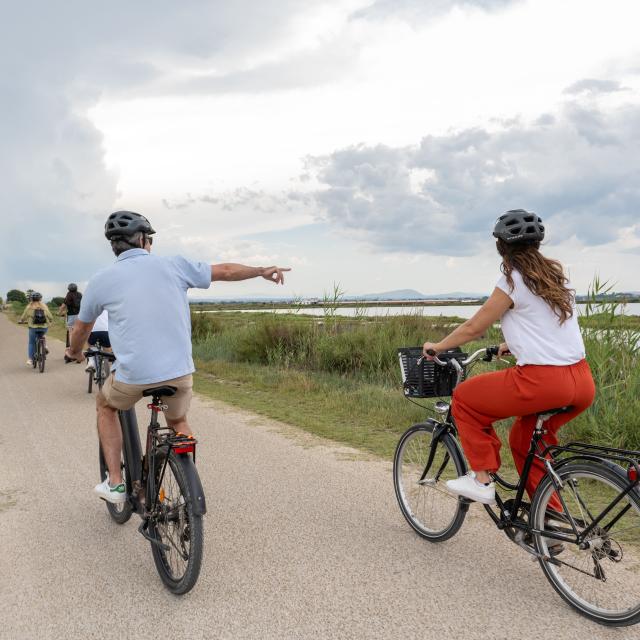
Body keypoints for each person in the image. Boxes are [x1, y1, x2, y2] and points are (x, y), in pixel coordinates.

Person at [65, 210, 290, 503]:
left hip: (133, 376)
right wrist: (260, 269)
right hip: (178, 374)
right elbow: (224, 271)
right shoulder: (174, 266)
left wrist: (74, 351)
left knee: (105, 406)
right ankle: (186, 489)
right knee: (178, 420)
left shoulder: (101, 280)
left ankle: (117, 484)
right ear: (144, 240)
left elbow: (82, 327)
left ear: (114, 246)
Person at [422, 209, 595, 506]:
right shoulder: (556, 280)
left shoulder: (513, 281)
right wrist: (514, 344)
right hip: (581, 381)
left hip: (542, 381)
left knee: (464, 399)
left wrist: (437, 346)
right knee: (526, 441)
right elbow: (550, 329)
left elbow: (474, 327)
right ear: (537, 246)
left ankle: (481, 480)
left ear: (502, 247)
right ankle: (549, 518)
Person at [19, 292, 53, 366]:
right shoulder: (44, 306)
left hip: (33, 328)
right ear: (40, 298)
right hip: (44, 327)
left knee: (31, 342)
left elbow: (23, 317)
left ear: (31, 299)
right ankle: (45, 346)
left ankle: (30, 359)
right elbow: (50, 317)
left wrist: (21, 321)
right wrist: (50, 321)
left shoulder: (29, 307)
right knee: (42, 335)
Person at [85, 309, 110, 373]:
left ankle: (91, 362)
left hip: (93, 331)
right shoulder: (107, 308)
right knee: (107, 353)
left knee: (90, 344)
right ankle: (108, 370)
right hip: (105, 331)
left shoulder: (90, 307)